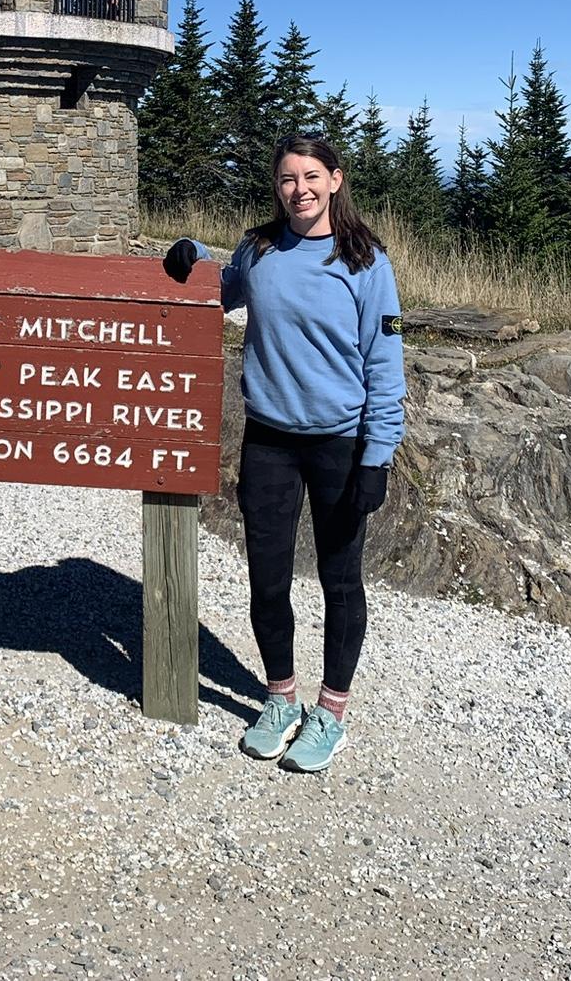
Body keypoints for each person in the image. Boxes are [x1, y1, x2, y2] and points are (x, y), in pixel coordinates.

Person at [163, 133, 404, 773]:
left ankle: (330, 712)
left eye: (310, 177)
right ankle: (280, 700)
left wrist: (377, 455)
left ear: (335, 180)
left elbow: (386, 364)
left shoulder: (366, 262)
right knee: (267, 579)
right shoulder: (261, 248)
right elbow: (225, 286)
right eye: (287, 179)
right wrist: (194, 255)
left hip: (339, 444)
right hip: (269, 439)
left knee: (339, 578)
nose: (299, 190)